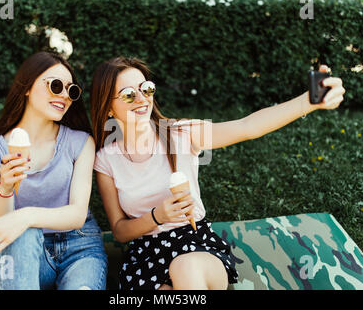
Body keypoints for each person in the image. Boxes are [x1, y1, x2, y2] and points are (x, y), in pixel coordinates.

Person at [90, 56, 345, 290]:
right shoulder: (106, 160)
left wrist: (308, 102)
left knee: (185, 268)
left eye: (146, 88)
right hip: (145, 256)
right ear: (108, 107)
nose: (142, 98)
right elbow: (120, 231)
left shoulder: (180, 133)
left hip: (194, 243)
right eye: (127, 95)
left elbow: (248, 126)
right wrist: (157, 216)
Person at [0, 51, 108, 290]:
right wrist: (6, 188)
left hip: (80, 248)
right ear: (27, 87)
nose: (64, 96)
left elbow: (77, 214)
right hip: (25, 249)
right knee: (23, 235)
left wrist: (25, 216)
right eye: (56, 85)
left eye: (71, 91)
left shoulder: (80, 142)